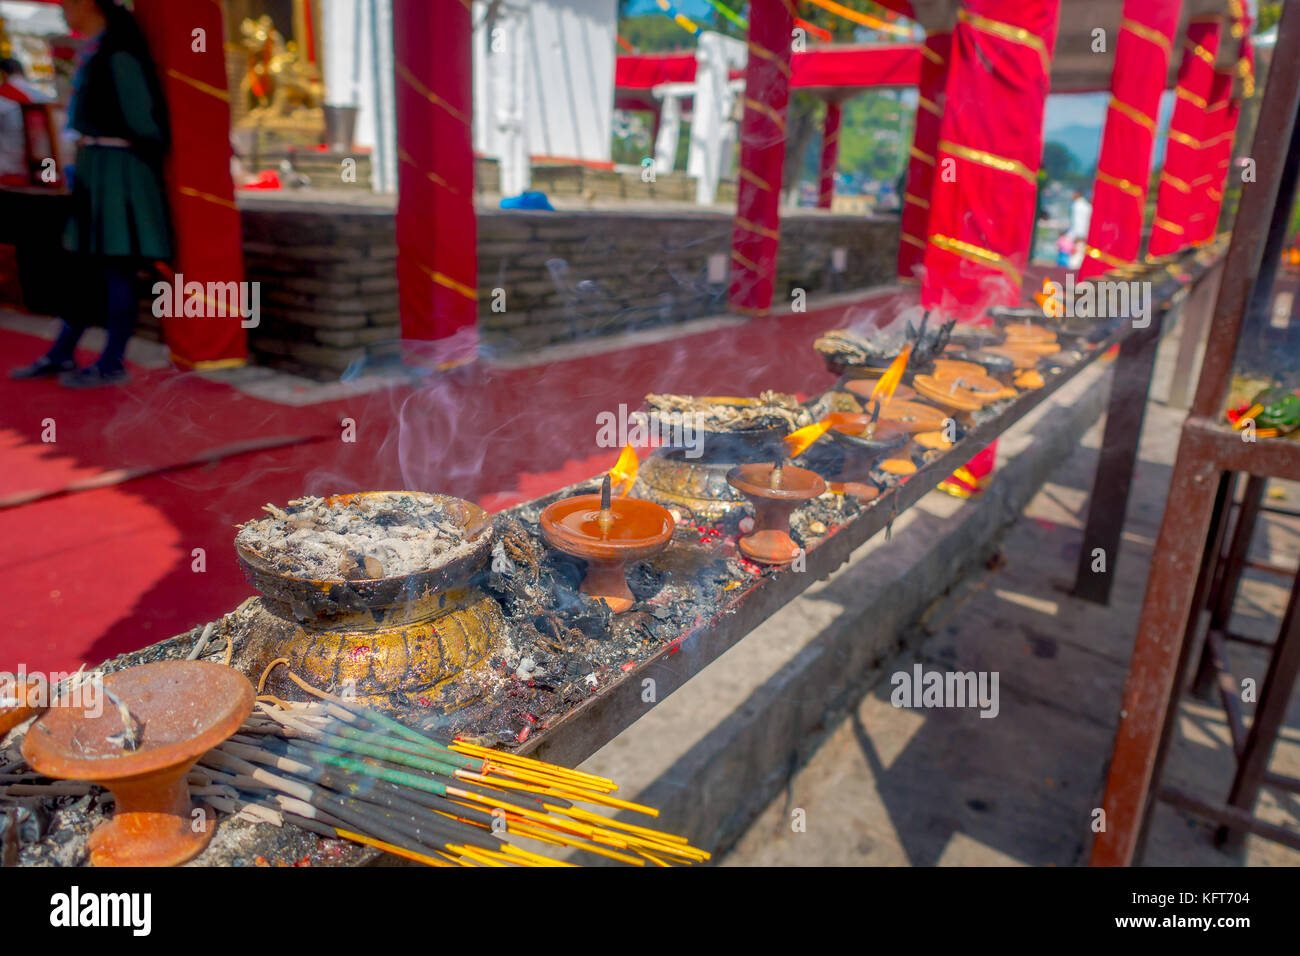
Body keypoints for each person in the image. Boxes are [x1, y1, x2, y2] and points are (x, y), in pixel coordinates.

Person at [9, 0, 171, 388]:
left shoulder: (118, 53)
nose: (64, 10)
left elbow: (145, 123)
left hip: (118, 171)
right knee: (84, 270)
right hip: (96, 168)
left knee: (116, 269)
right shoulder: (97, 49)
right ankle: (63, 352)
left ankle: (112, 361)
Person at [1066, 189, 1092, 270]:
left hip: (1079, 234)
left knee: (1077, 254)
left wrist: (1076, 234)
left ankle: (1073, 270)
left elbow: (1077, 221)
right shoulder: (1086, 205)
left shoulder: (1077, 205)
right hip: (1083, 233)